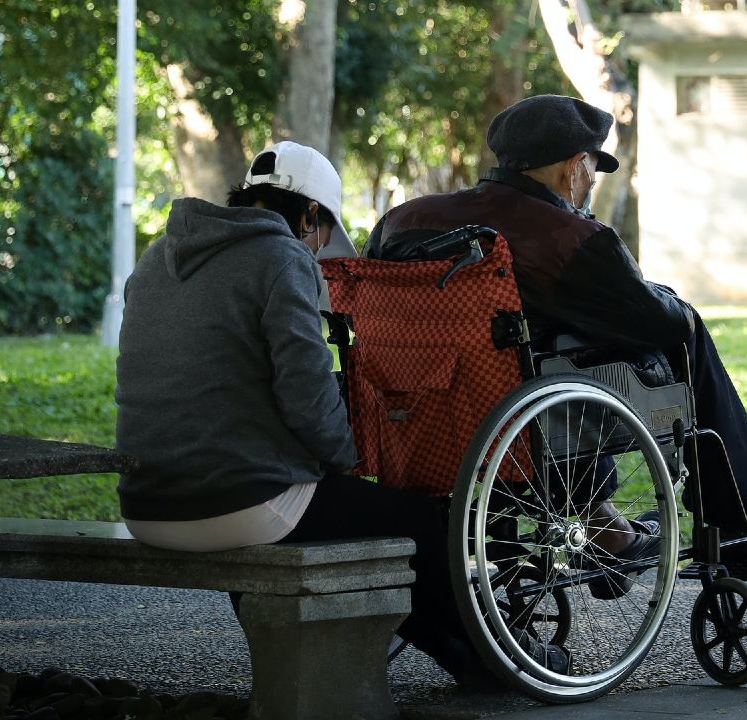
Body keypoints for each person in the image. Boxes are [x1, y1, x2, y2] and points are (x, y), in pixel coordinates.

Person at [114, 140, 559, 686]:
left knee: (353, 517)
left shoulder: (156, 257)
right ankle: (497, 661)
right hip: (237, 503)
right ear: (308, 214)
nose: (321, 244)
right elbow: (305, 394)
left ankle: (464, 658)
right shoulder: (282, 257)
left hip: (146, 505)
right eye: (323, 229)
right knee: (419, 522)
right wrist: (348, 457)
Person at [364, 95, 747, 580]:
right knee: (686, 331)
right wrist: (669, 301)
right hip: (524, 417)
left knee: (546, 373)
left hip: (417, 412)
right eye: (592, 175)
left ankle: (610, 528)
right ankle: (744, 509)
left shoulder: (402, 220)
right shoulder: (568, 235)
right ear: (576, 168)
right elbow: (656, 322)